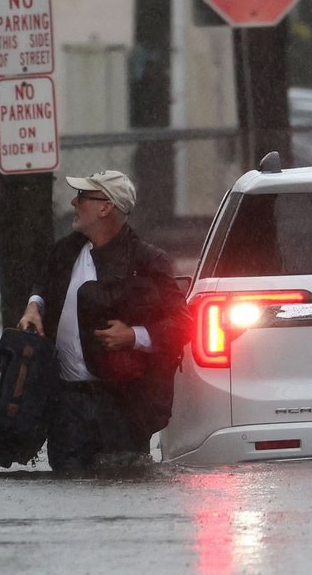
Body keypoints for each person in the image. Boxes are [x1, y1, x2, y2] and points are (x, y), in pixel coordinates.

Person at [18, 169, 191, 470]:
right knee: (68, 495)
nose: (74, 202)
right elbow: (43, 286)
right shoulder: (65, 251)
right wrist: (34, 306)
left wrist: (134, 336)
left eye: (83, 196)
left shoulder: (147, 261)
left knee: (122, 490)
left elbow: (184, 323)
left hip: (124, 406)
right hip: (67, 405)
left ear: (105, 207)